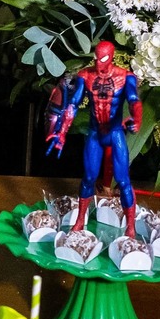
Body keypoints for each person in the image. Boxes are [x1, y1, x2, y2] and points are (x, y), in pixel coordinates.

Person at [45, 40, 142, 236]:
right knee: (88, 178)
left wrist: (137, 119)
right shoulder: (85, 75)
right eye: (96, 58)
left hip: (115, 133)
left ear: (111, 58)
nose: (98, 63)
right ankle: (80, 220)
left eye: (103, 59)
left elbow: (134, 99)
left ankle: (131, 228)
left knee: (123, 180)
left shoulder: (125, 76)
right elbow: (73, 104)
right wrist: (62, 132)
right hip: (95, 132)